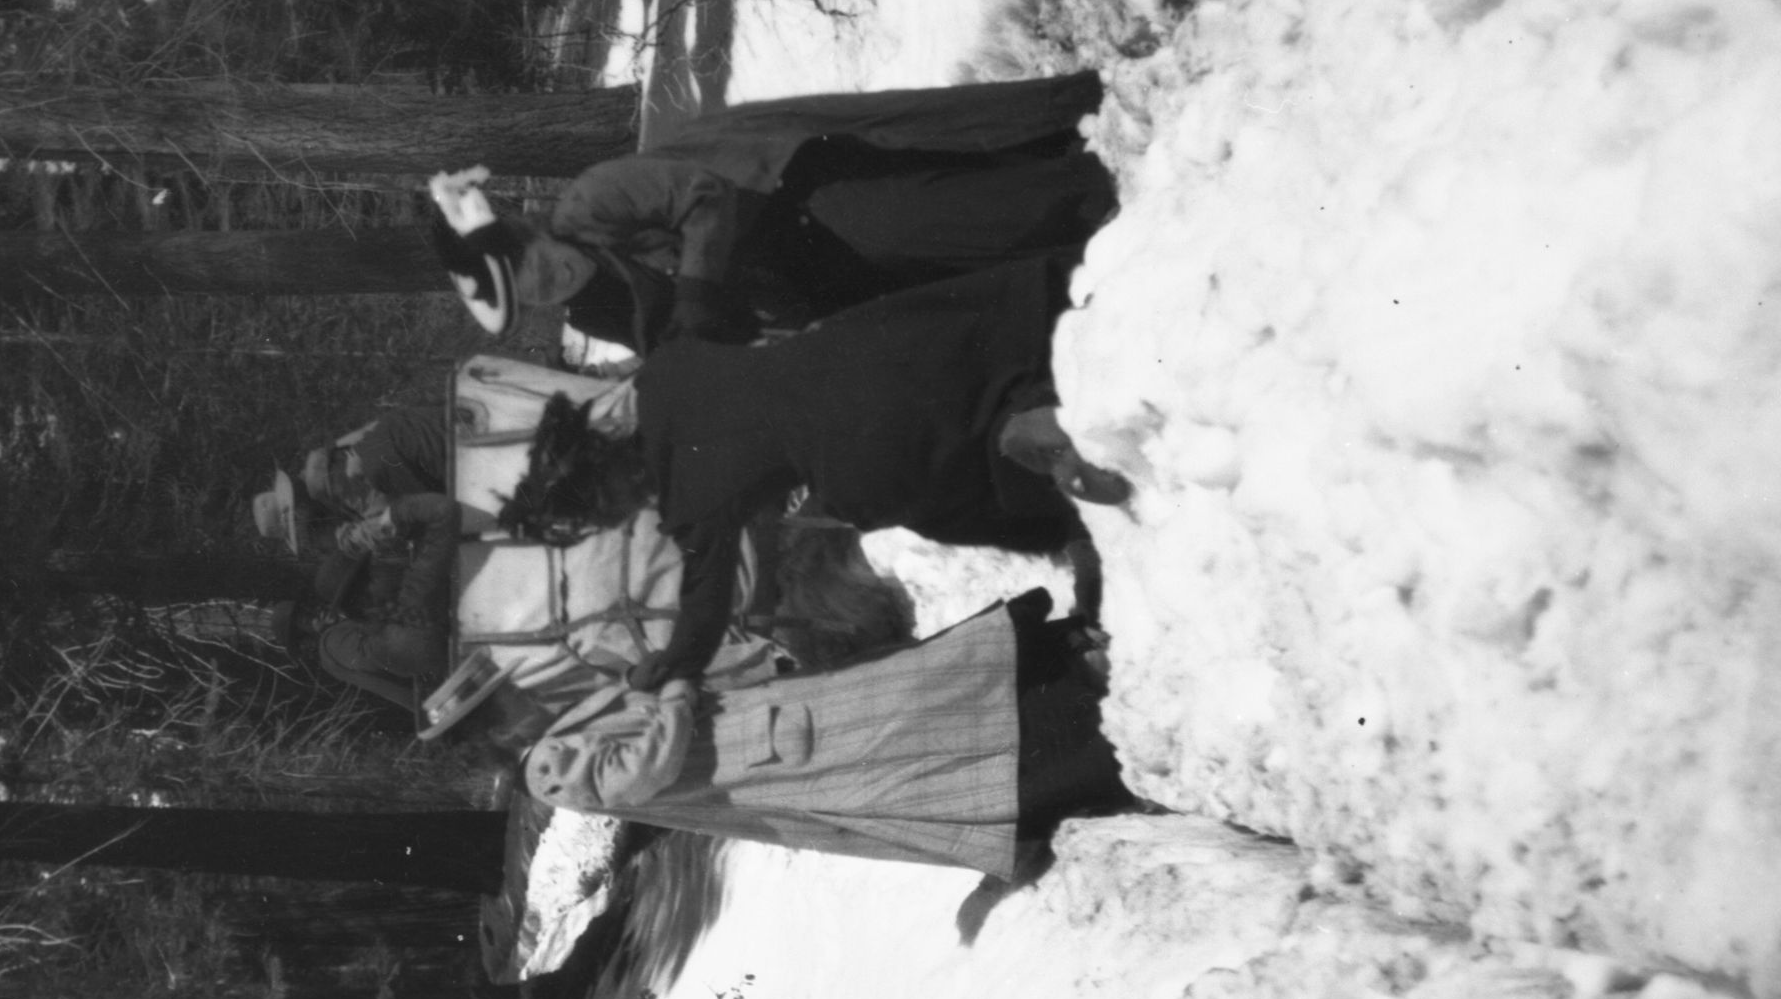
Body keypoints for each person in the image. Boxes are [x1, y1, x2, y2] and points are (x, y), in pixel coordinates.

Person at [495, 255, 1130, 690]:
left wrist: (666, 669)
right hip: (864, 347)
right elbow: (699, 306)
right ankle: (1040, 387)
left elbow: (704, 611)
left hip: (862, 451)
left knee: (935, 500)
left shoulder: (689, 504)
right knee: (972, 360)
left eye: (603, 516)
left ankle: (1060, 507)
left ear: (608, 497)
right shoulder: (662, 375)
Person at [426, 71, 1119, 352]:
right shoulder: (598, 312)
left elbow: (703, 194)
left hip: (788, 196)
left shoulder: (592, 200)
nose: (550, 282)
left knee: (961, 219)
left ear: (530, 233)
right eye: (535, 294)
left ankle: (1113, 177)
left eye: (535, 266)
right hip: (793, 279)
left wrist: (698, 289)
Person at [519, 594, 1134, 880]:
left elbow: (630, 724)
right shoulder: (562, 776)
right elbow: (648, 765)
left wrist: (639, 682)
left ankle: (1059, 659)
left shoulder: (562, 739)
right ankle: (1081, 723)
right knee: (919, 724)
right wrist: (674, 692)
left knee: (918, 684)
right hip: (777, 751)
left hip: (774, 722)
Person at [272, 492, 465, 715]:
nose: (315, 614)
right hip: (428, 670)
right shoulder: (330, 644)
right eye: (306, 620)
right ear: (304, 638)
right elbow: (388, 661)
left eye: (308, 610)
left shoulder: (350, 625)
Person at [300, 404, 451, 513]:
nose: (343, 497)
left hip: (456, 465)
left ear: (335, 483)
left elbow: (434, 504)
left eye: (336, 493)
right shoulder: (384, 424)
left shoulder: (375, 473)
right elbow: (363, 432)